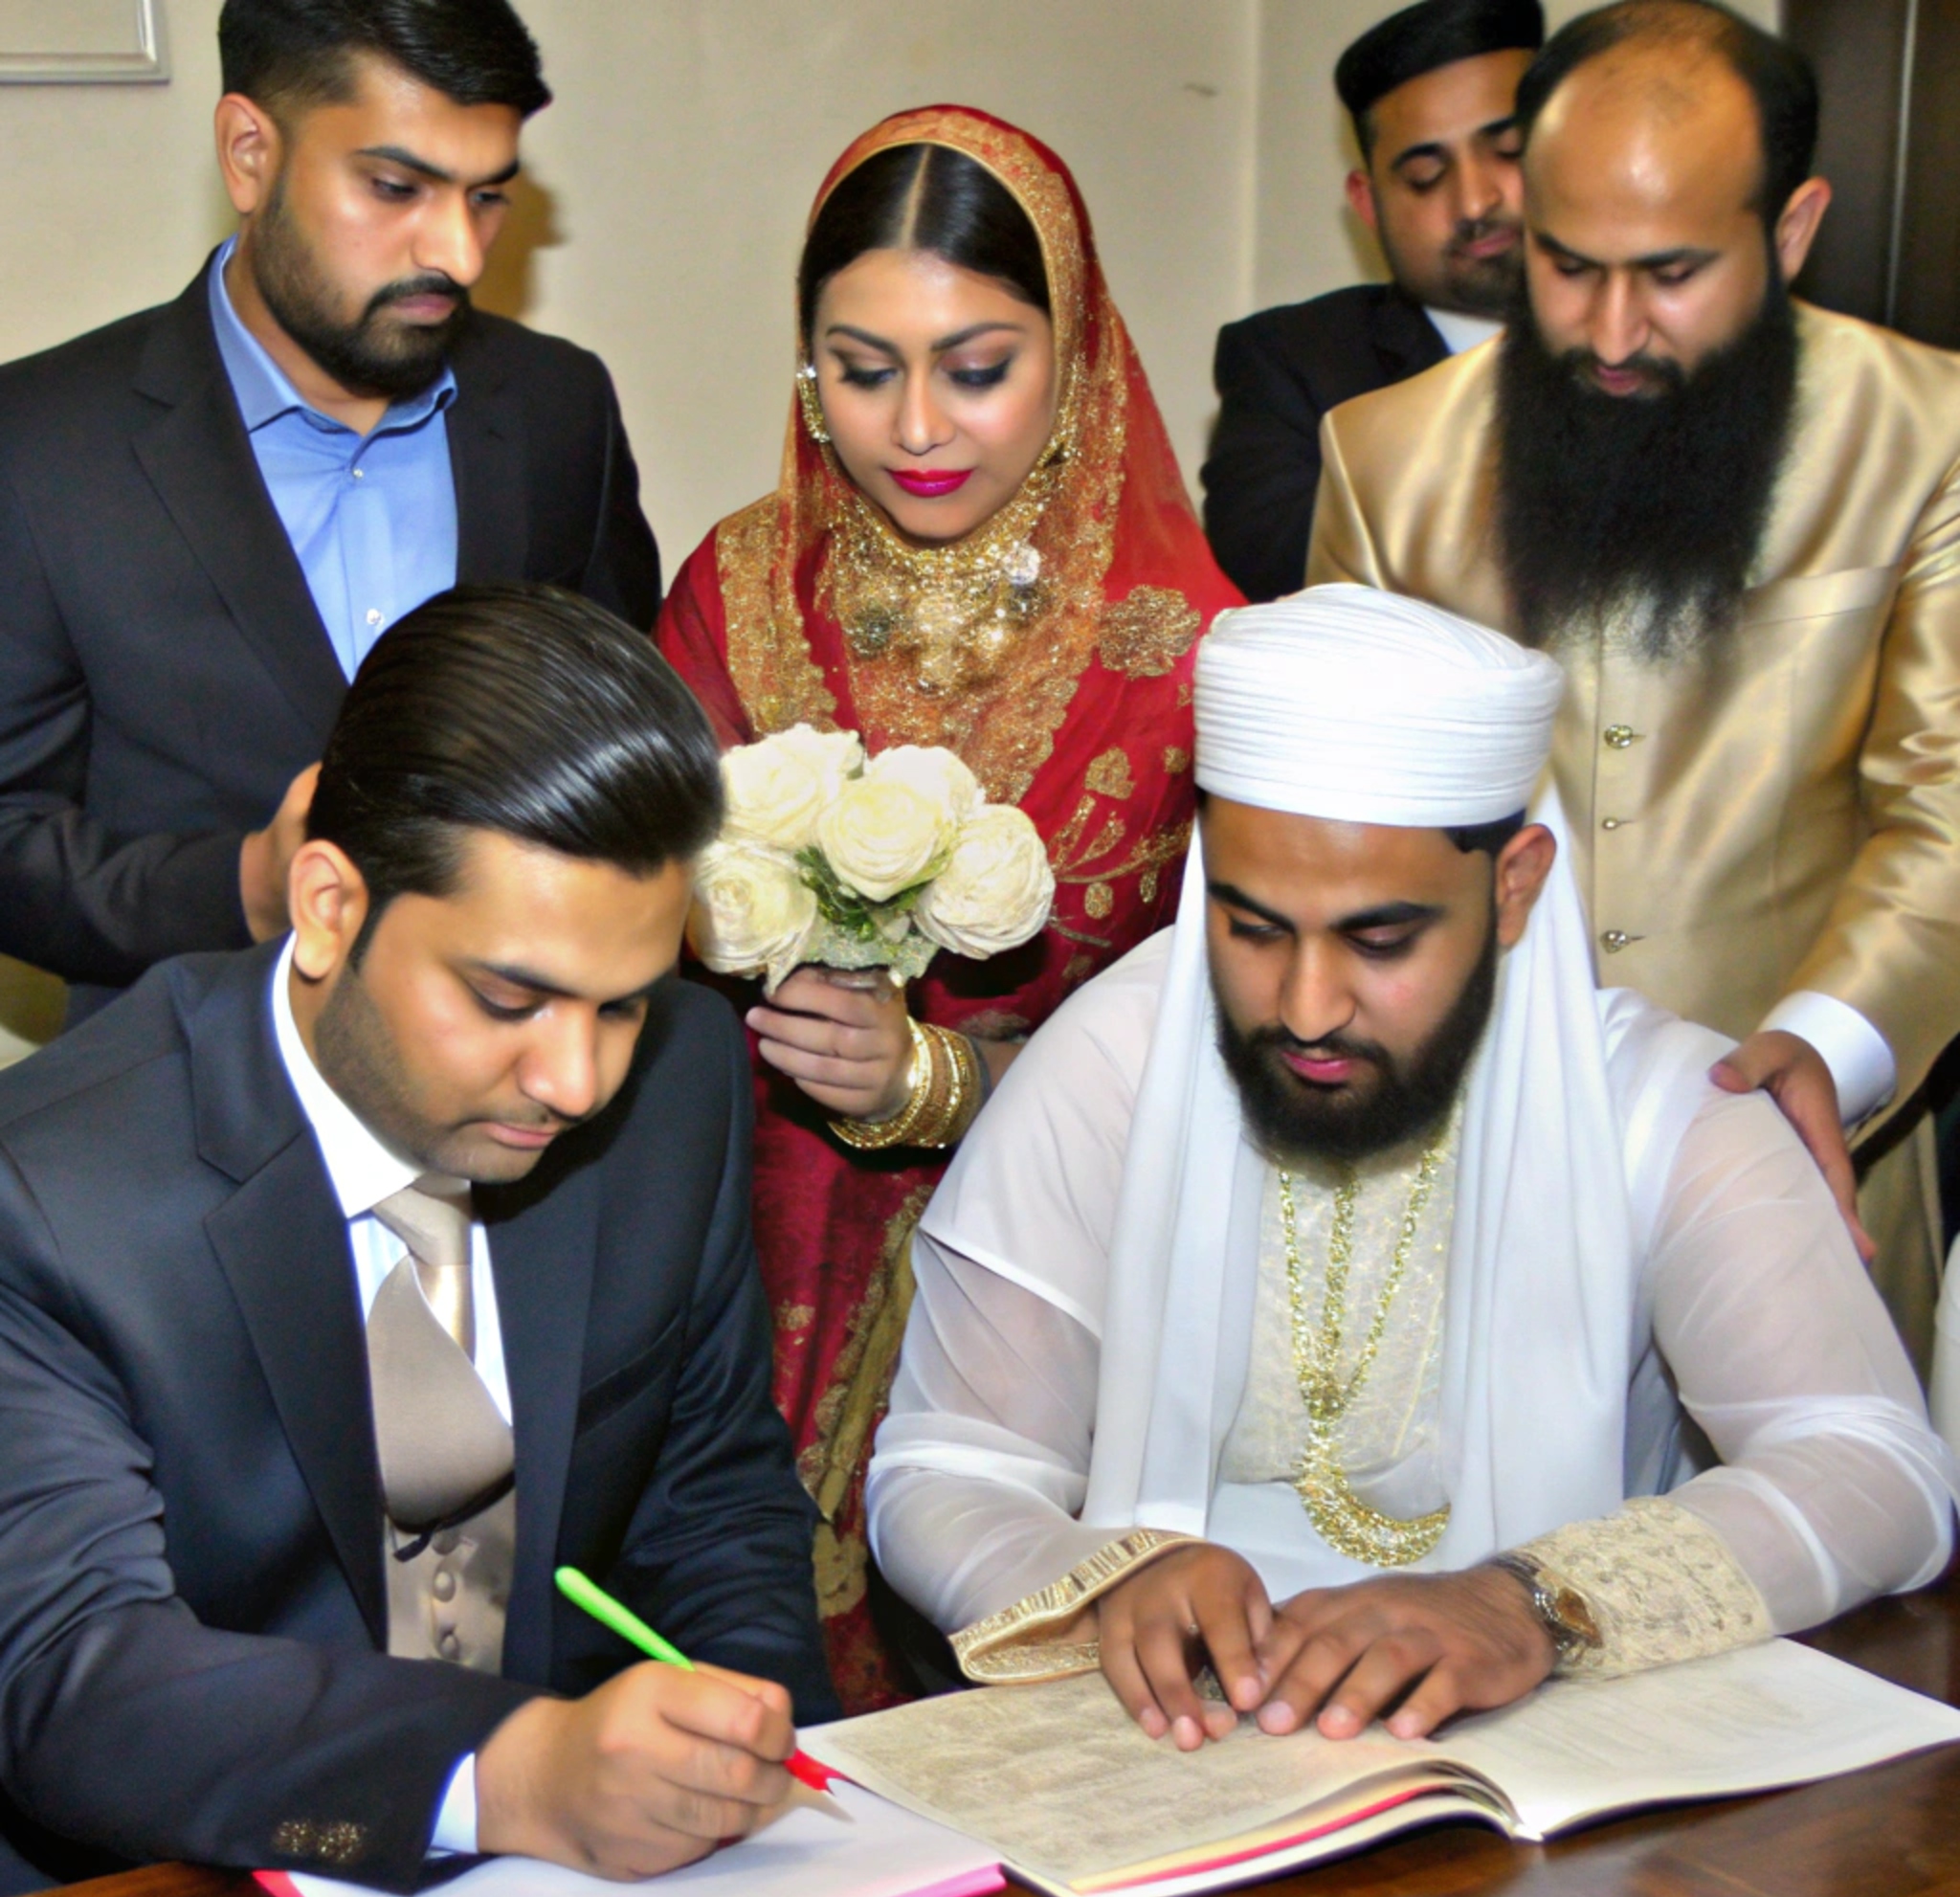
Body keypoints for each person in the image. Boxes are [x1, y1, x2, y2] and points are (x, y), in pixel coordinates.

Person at [866, 586, 1953, 1751]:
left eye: (1379, 941)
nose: (1305, 1006)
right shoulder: (1114, 1060)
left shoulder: (1659, 1111)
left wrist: (1528, 1598)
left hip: (1546, 1769)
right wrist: (1106, 1579)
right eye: (1251, 926)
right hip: (1166, 1758)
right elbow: (945, 1465)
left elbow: (1875, 1469)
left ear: (1512, 885)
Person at [0, 585, 834, 1897]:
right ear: (329, 905)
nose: (577, 1082)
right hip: (179, 1890)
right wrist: (505, 1777)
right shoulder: (45, 1193)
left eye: (625, 1005)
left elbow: (715, 1502)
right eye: (510, 998)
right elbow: (77, 1673)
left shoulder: (678, 1095)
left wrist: (749, 1796)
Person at [657, 105, 1240, 1712]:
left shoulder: (1191, 652)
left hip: (1045, 1277)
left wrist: (939, 1079)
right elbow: (633, 921)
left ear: (1075, 355)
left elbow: (1229, 1036)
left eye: (975, 365)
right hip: (730, 1239)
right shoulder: (737, 584)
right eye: (859, 365)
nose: (913, 424)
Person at [1308, 0, 1960, 1362]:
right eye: (1565, 265)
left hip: (1803, 1170)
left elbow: (1947, 806)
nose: (1609, 334)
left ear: (1787, 233)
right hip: (1457, 1184)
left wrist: (1821, 1053)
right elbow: (1333, 832)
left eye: (1669, 274)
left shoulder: (1928, 438)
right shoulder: (1384, 459)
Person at [0, 0, 659, 1024]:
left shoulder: (556, 409)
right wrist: (246, 887)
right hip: (190, 1126)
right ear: (250, 152)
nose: (460, 253)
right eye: (396, 187)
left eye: (486, 197)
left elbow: (619, 757)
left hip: (533, 1118)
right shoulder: (37, 446)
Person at [1202, 0, 1544, 603]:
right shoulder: (1291, 361)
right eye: (1424, 175)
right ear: (1367, 203)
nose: (1475, 201)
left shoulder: (1661, 331)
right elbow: (1278, 576)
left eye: (1510, 149)